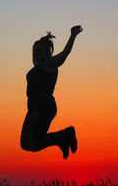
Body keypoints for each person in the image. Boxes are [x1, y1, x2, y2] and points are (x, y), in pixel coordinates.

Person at [20, 25, 83, 159]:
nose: (36, 52)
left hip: (42, 106)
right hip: (33, 108)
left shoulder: (49, 64)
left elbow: (64, 54)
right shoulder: (36, 68)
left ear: (47, 52)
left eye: (39, 49)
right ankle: (62, 137)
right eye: (34, 49)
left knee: (32, 141)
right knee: (26, 143)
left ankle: (64, 136)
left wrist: (73, 36)